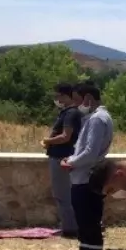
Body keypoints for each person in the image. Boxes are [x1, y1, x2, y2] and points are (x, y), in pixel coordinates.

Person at [60, 83, 113, 250]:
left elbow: (90, 152)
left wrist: (71, 162)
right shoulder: (96, 118)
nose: (76, 104)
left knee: (90, 230)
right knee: (85, 229)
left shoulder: (98, 119)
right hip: (84, 179)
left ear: (88, 97)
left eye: (78, 99)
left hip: (87, 181)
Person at [42, 83, 82, 239]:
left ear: (66, 96)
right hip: (63, 157)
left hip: (61, 158)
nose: (56, 99)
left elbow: (66, 136)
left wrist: (48, 141)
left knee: (62, 195)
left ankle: (70, 229)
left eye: (58, 96)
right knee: (66, 194)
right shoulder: (68, 112)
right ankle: (71, 226)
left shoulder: (70, 114)